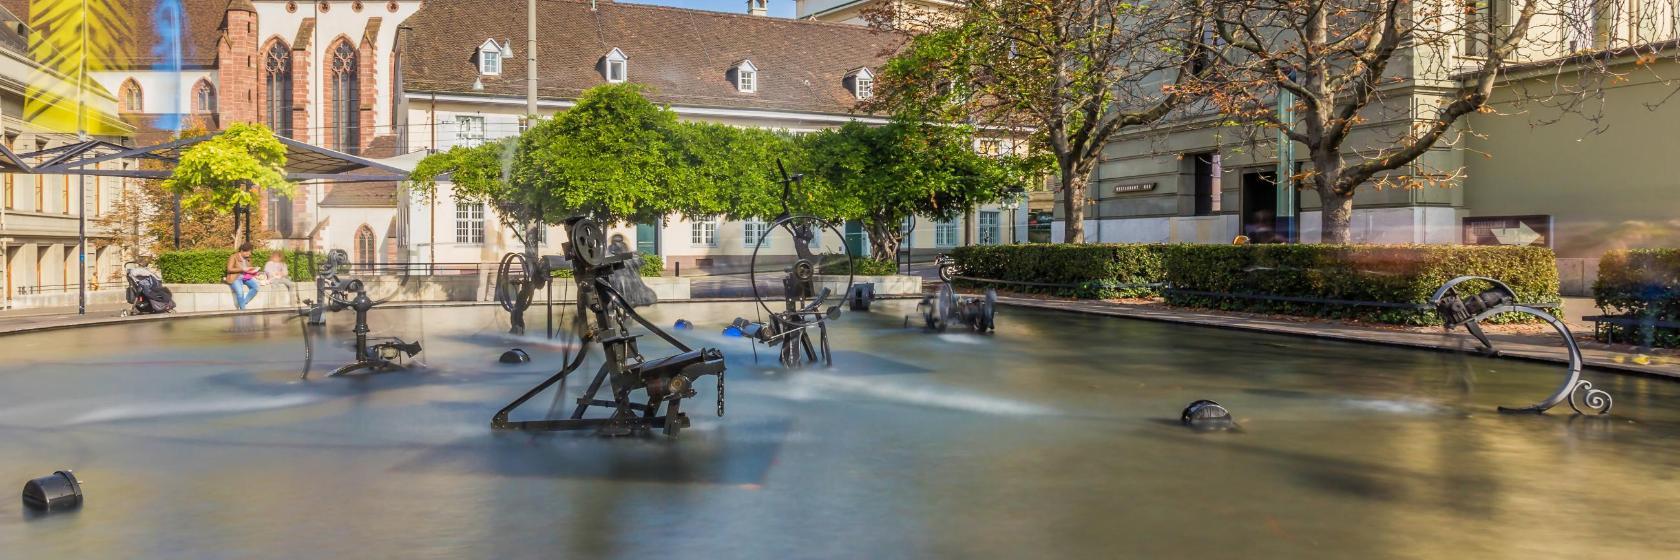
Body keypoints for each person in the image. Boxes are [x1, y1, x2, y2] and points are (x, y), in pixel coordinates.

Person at [226, 243, 261, 309]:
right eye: (247, 252)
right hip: (235, 277)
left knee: (256, 287)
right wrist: (243, 269)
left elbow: (249, 269)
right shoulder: (233, 257)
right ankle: (243, 310)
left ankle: (243, 303)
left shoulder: (248, 258)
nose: (249, 254)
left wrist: (254, 272)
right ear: (241, 251)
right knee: (240, 292)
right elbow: (229, 269)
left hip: (246, 277)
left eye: (250, 252)